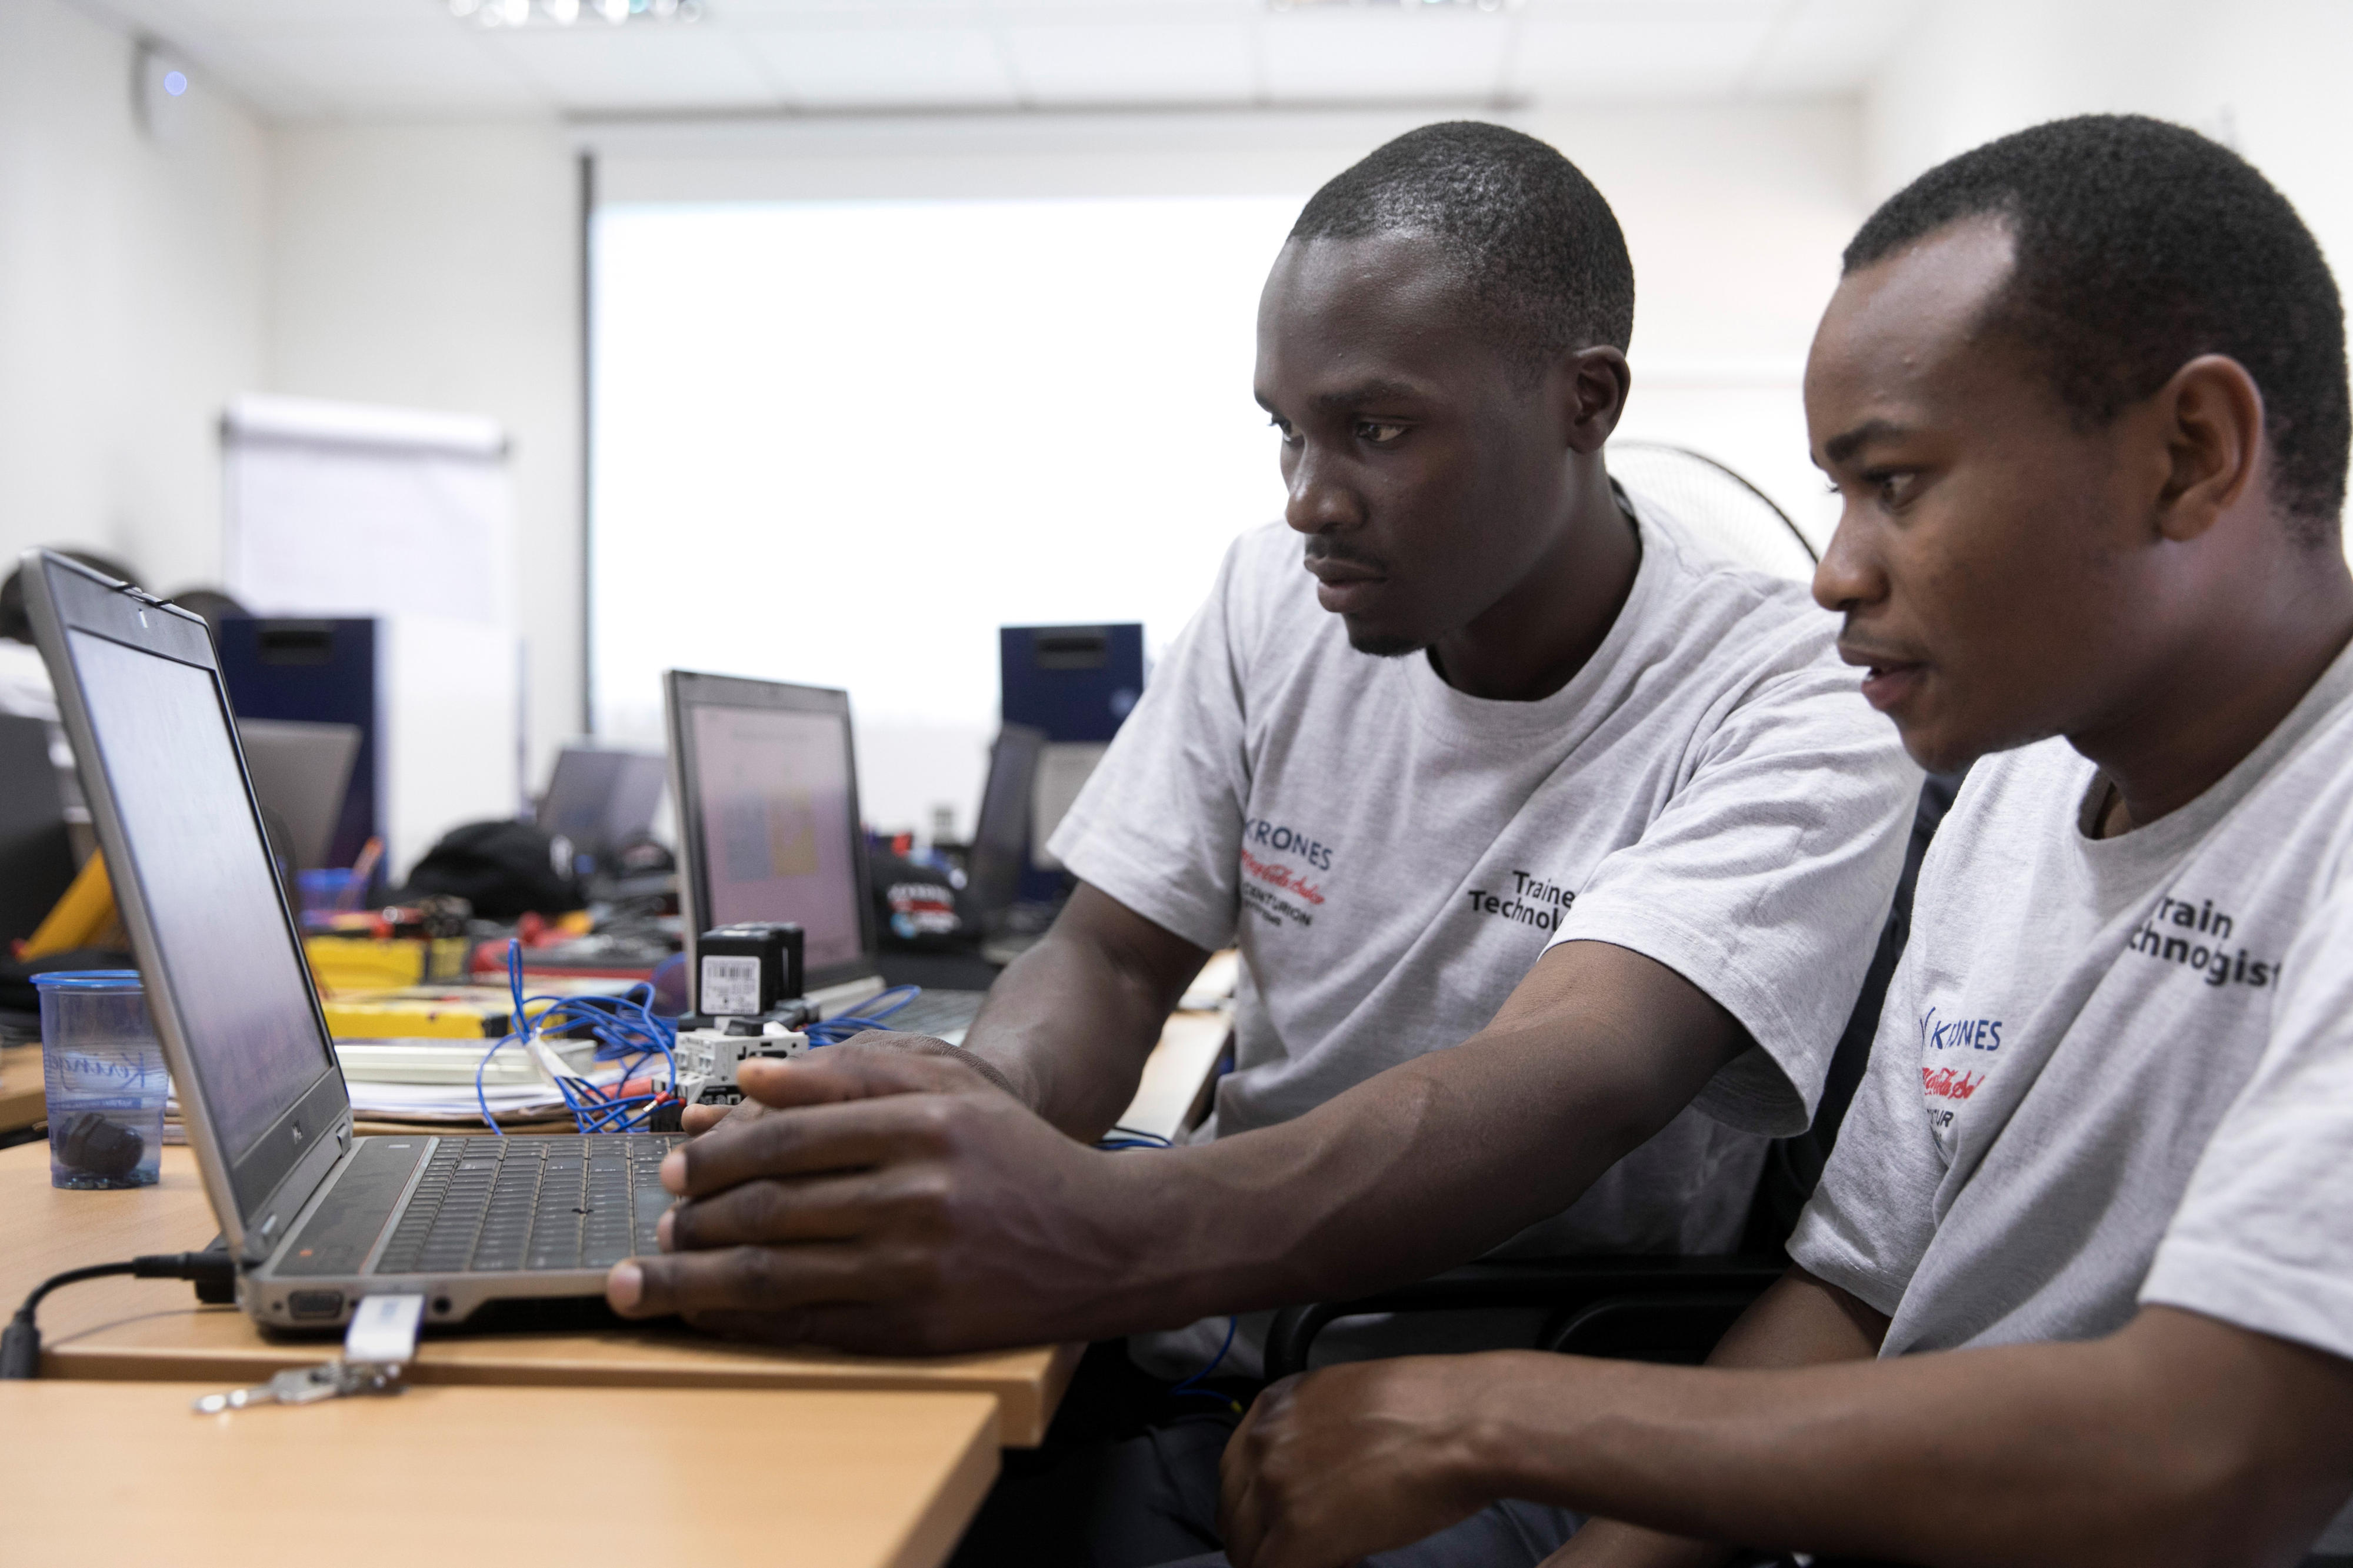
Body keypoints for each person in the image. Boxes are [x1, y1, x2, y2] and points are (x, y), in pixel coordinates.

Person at [612, 122, 1919, 1564]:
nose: (1307, 496)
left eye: (1376, 429)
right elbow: (1109, 957)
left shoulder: (1786, 688)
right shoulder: (1269, 600)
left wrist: (1093, 1228)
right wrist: (978, 1102)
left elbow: (1576, 1079)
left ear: (1581, 402)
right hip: (1213, 1350)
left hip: (1499, 1396)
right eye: (1285, 431)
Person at [1207, 113, 2353, 1568]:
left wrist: (1487, 1416)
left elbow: (2210, 1453)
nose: (1833, 571)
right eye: (1832, 492)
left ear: (2189, 455)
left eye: (1896, 483)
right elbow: (1854, 1296)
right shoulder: (2009, 788)